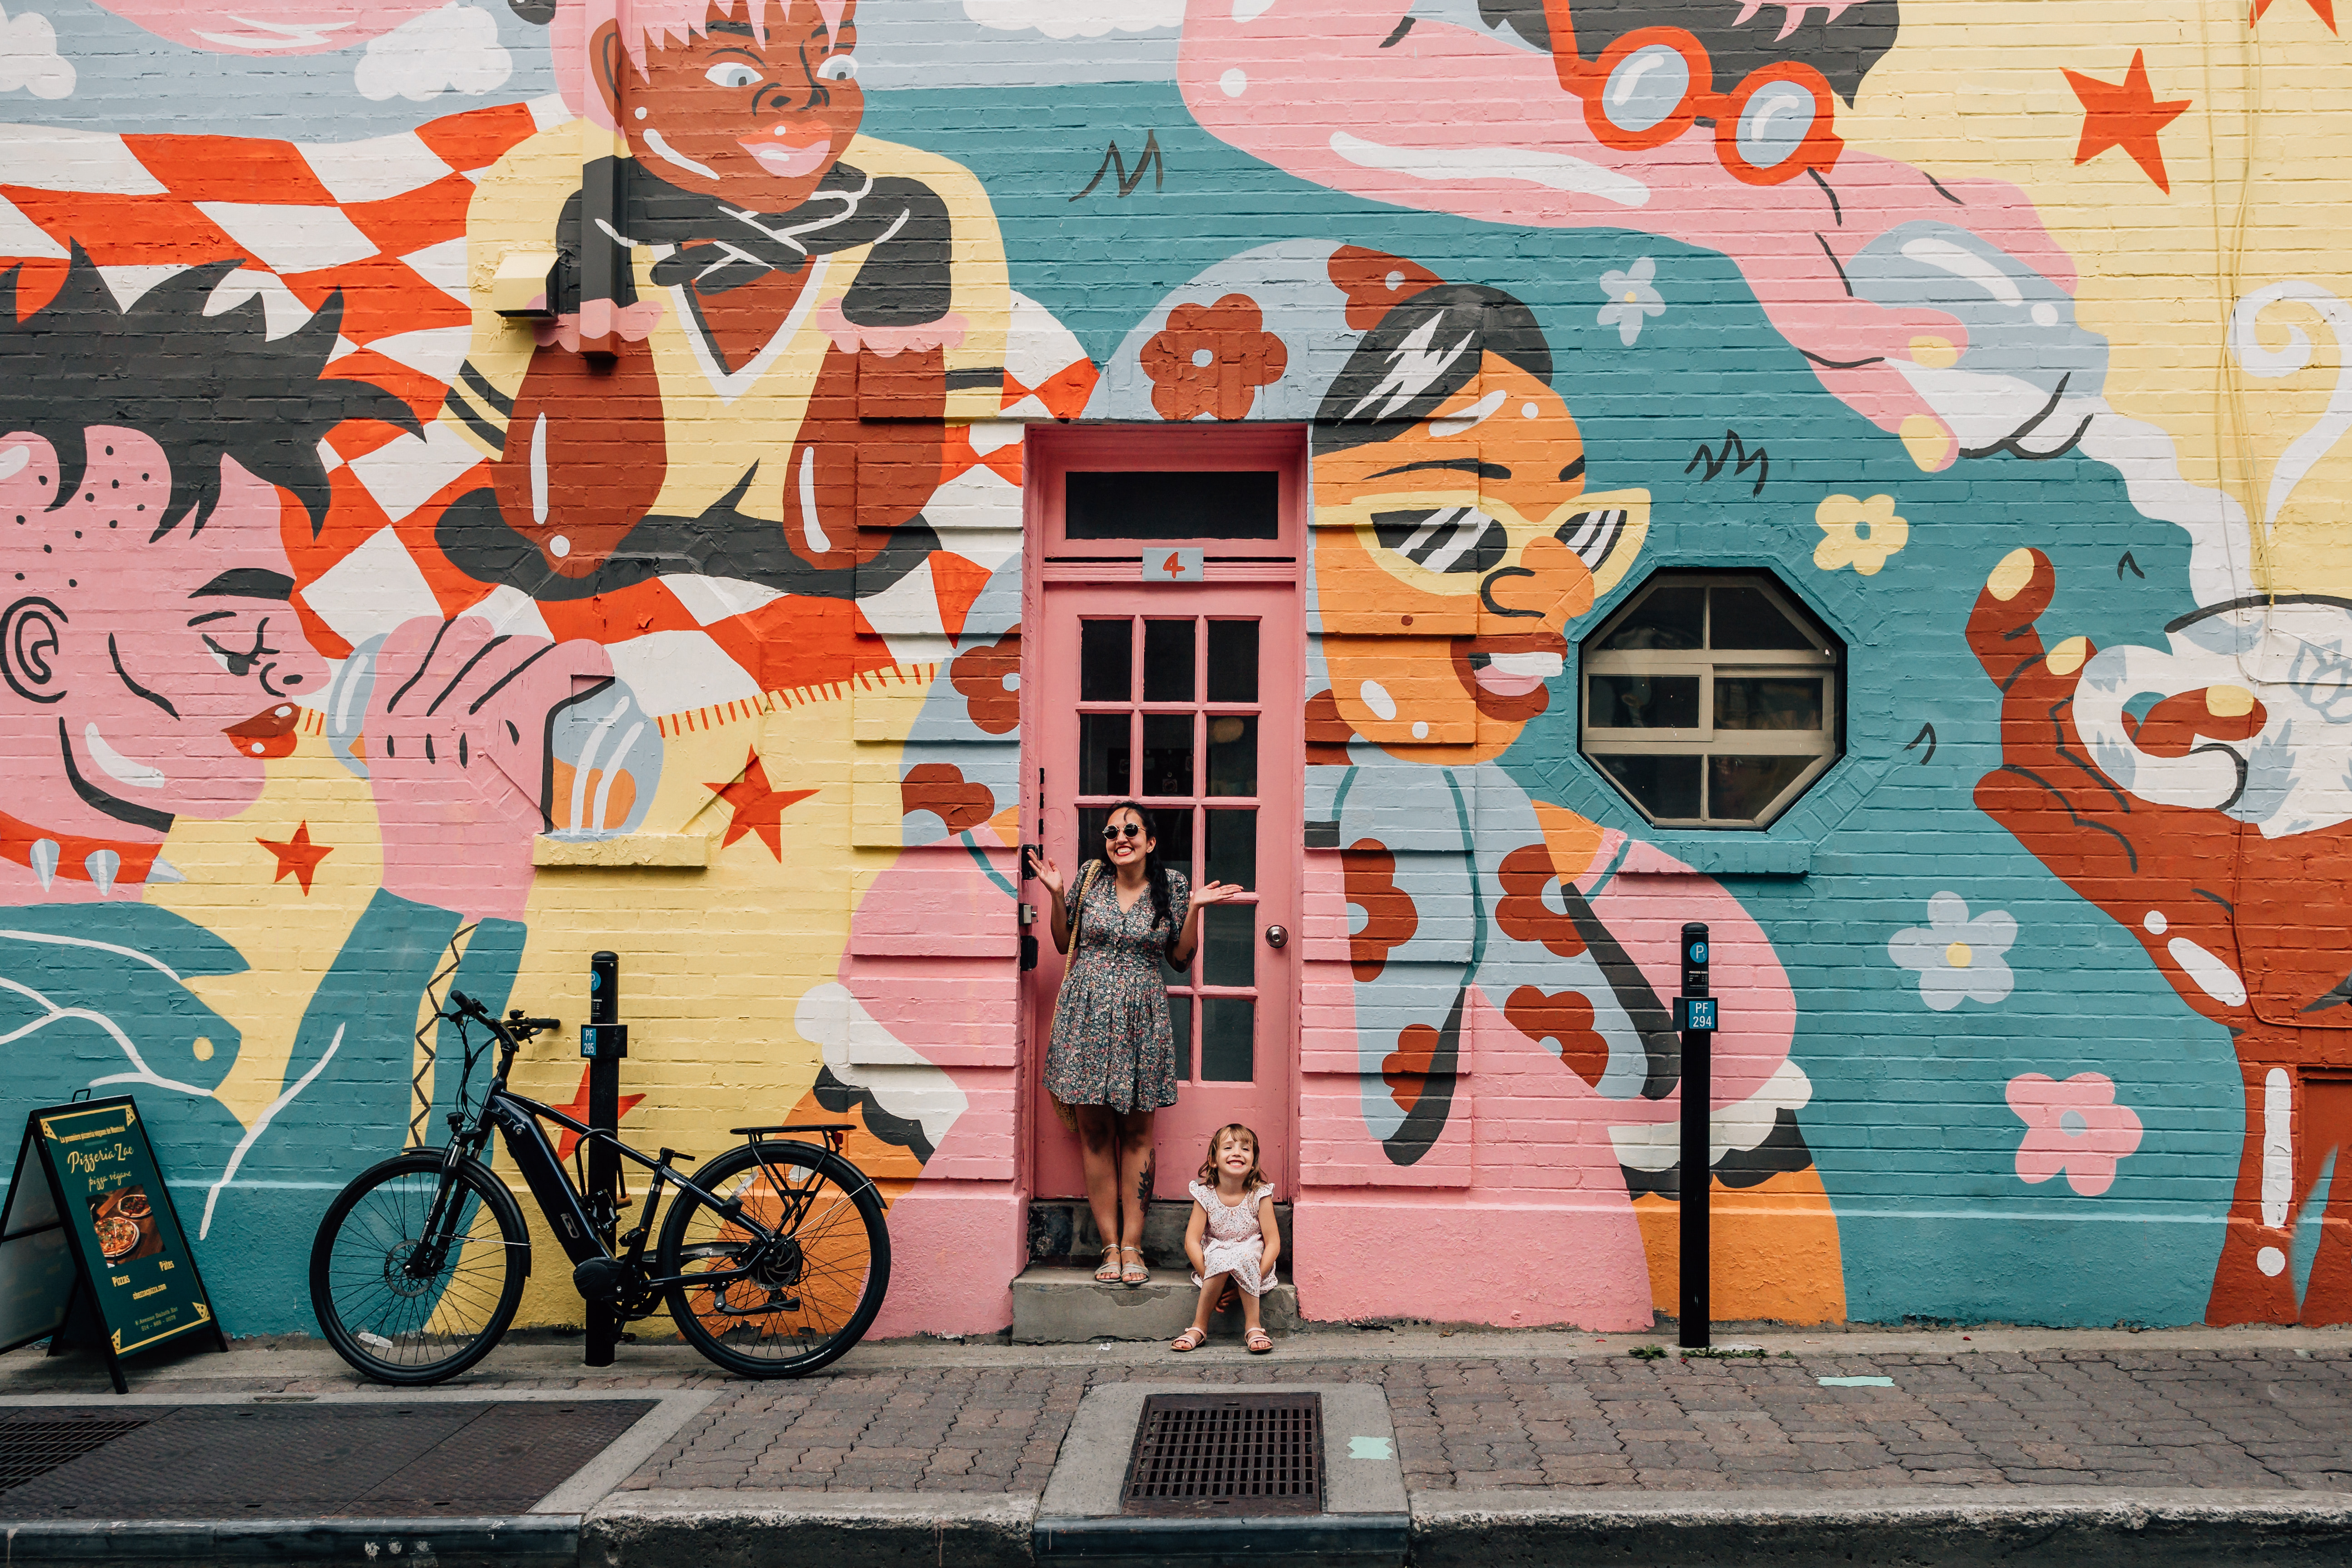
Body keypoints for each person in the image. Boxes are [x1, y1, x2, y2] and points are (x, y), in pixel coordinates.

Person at [1030, 801, 1239, 1286]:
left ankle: (1133, 1245)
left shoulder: (1173, 887)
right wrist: (1058, 895)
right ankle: (1108, 1245)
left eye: (1130, 830)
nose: (1119, 838)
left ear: (1150, 841)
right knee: (1097, 1134)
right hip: (1084, 1015)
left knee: (1138, 1134)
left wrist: (1196, 912)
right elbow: (1064, 944)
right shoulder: (1088, 879)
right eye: (1111, 831)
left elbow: (1182, 959)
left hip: (1141, 1018)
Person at [1171, 1123, 1281, 1354]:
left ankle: (1253, 1326)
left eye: (1245, 1149)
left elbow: (1273, 1243)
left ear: (1253, 1161)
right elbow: (1192, 1240)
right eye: (1228, 1147)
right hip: (1215, 1259)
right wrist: (1206, 1274)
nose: (1237, 1153)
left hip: (1252, 1259)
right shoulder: (1205, 1194)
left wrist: (1255, 1277)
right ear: (1213, 1159)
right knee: (1221, 1256)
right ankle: (1199, 1327)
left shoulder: (1260, 1195)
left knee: (1245, 1254)